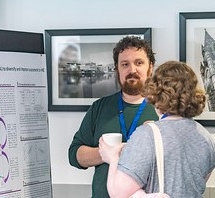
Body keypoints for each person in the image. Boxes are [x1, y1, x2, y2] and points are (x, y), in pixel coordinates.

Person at [99, 60, 215, 198]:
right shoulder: (205, 137)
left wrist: (113, 158)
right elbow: (197, 182)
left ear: (156, 93)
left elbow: (119, 193)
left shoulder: (147, 134)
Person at [68, 36, 159, 197]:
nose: (132, 70)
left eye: (139, 63)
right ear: (117, 69)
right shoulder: (99, 108)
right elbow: (75, 155)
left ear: (150, 67)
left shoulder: (163, 109)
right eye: (125, 64)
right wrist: (107, 154)